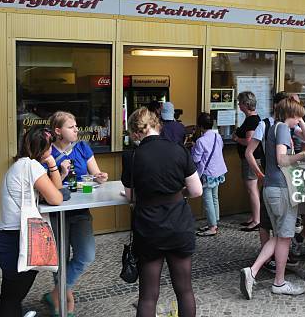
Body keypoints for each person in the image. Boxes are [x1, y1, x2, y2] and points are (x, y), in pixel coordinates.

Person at [123, 107, 203, 317]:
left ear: (135, 132)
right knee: (184, 290)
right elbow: (196, 191)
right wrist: (176, 192)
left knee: (148, 296)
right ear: (157, 125)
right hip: (178, 224)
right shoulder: (179, 150)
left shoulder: (131, 156)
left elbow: (130, 196)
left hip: (149, 227)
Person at [239, 98, 305, 300]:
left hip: (272, 187)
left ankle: (253, 272)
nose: (299, 120)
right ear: (291, 114)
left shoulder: (274, 127)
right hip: (282, 188)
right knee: (284, 236)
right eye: (298, 116)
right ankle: (277, 282)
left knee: (281, 235)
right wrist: (301, 156)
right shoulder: (281, 129)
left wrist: (300, 121)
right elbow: (282, 159)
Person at [0, 125, 63, 317]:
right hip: (18, 240)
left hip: (9, 239)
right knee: (11, 299)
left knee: (10, 298)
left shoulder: (21, 165)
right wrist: (50, 161)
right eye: (50, 147)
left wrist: (51, 164)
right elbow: (56, 198)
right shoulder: (30, 166)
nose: (52, 151)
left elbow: (57, 189)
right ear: (43, 148)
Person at [44, 111, 109, 315]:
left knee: (86, 255)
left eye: (76, 126)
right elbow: (45, 188)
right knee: (59, 261)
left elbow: (94, 175)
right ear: (58, 131)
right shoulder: (46, 153)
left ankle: (56, 293)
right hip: (55, 214)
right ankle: (63, 304)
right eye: (71, 127)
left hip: (80, 211)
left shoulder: (82, 147)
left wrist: (99, 178)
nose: (76, 130)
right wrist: (61, 173)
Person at [192, 112, 227, 237]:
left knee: (208, 200)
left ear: (200, 126)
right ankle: (215, 222)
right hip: (218, 170)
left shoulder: (200, 141)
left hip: (207, 172)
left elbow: (196, 159)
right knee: (214, 197)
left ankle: (212, 227)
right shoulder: (218, 137)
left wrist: (192, 148)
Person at [233, 91, 262, 231]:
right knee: (253, 188)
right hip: (252, 159)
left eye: (239, 102)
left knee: (252, 189)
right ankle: (254, 216)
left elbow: (249, 141)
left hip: (251, 159)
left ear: (245, 104)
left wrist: (237, 139)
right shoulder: (254, 118)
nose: (238, 105)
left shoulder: (251, 120)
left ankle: (256, 220)